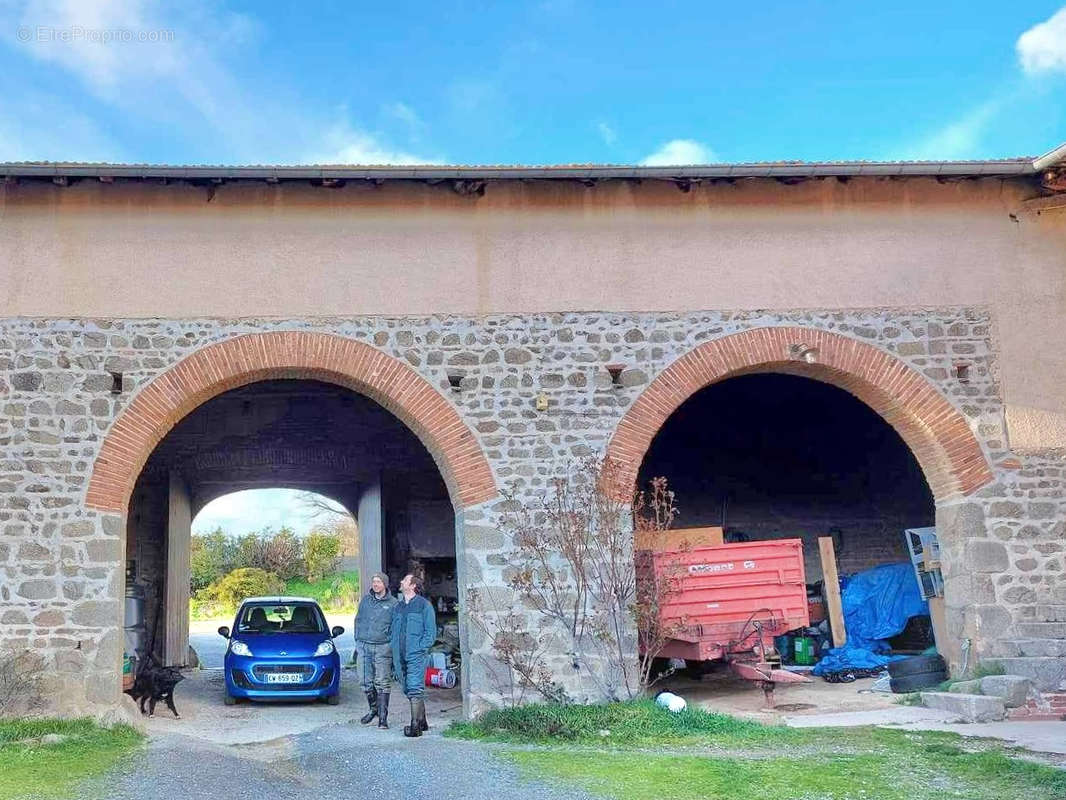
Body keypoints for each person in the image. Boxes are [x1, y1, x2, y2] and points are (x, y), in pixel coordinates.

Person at [390, 573, 436, 737]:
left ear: (413, 586)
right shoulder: (398, 607)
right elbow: (392, 631)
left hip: (416, 655)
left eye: (405, 580)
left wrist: (420, 648)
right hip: (399, 655)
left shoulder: (424, 606)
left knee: (414, 688)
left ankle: (414, 727)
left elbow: (431, 634)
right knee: (408, 688)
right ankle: (422, 721)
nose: (401, 582)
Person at [353, 572, 398, 728]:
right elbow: (357, 620)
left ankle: (383, 718)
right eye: (374, 582)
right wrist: (357, 640)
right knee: (364, 681)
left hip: (383, 647)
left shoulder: (393, 604)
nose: (375, 584)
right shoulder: (365, 601)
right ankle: (374, 709)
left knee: (382, 682)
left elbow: (397, 627)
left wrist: (391, 644)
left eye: (378, 582)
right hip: (364, 646)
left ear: (385, 584)